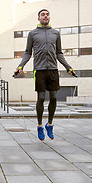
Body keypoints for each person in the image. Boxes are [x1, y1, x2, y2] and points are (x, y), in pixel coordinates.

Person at [15, 9, 76, 141]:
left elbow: (59, 53)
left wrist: (68, 67)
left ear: (49, 17)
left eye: (47, 14)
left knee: (54, 98)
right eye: (43, 15)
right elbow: (27, 52)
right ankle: (39, 126)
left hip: (53, 69)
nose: (45, 16)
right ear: (38, 18)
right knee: (41, 98)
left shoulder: (56, 33)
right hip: (40, 70)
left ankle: (49, 124)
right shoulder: (32, 34)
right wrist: (21, 66)